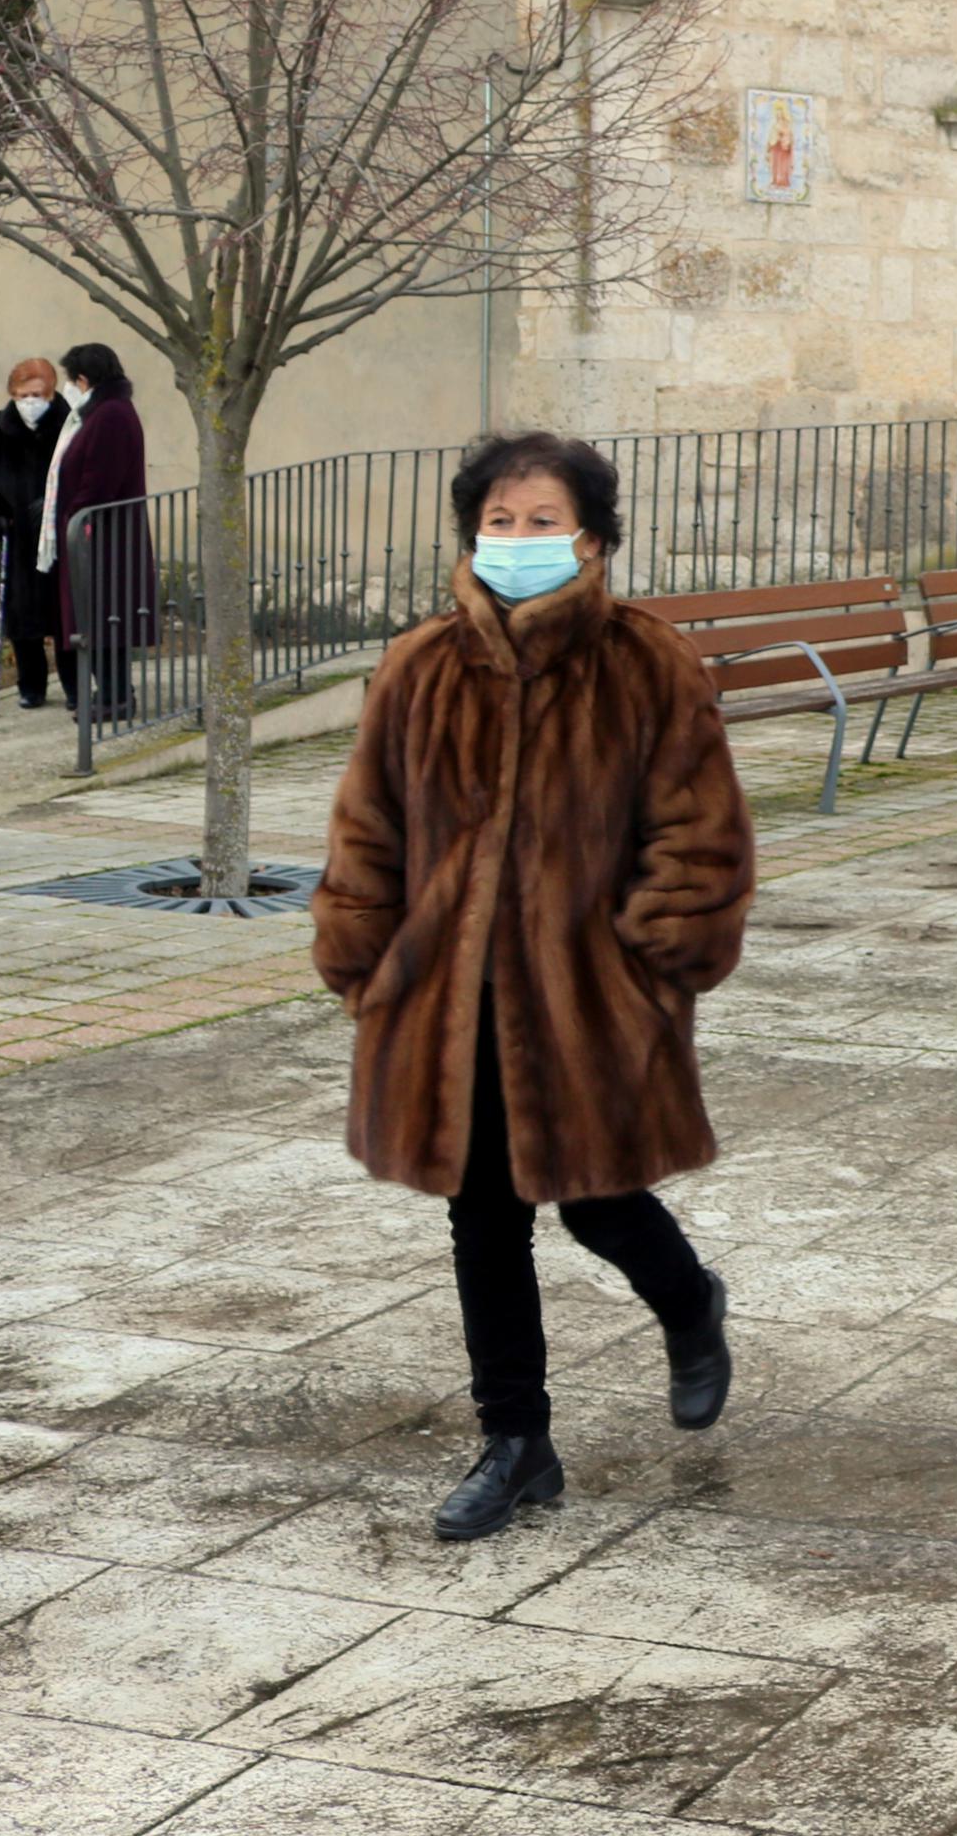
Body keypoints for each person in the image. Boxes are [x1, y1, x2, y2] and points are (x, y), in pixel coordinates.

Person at [313, 433, 755, 1542]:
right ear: (472, 532)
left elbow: (700, 833)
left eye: (543, 520)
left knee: (600, 1197)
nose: (518, 540)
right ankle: (517, 1442)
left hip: (587, 995)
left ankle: (688, 1301)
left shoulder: (645, 663)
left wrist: (651, 962)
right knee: (484, 1215)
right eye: (500, 521)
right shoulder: (420, 666)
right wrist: (364, 957)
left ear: (591, 539)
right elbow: (369, 824)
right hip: (450, 1001)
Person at [40, 342, 152, 719]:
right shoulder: (110, 411)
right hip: (99, 537)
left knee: (103, 622)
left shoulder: (109, 416)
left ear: (84, 379)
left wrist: (73, 516)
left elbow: (98, 480)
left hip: (103, 541)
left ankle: (114, 700)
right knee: (103, 622)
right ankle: (113, 695)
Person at [0, 358, 67, 709]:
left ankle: (73, 685)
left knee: (64, 612)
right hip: (17, 536)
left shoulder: (69, 425)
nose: (30, 401)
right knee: (22, 615)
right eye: (23, 395)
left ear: (51, 393)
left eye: (37, 394)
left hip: (59, 536)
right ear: (12, 394)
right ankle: (31, 686)